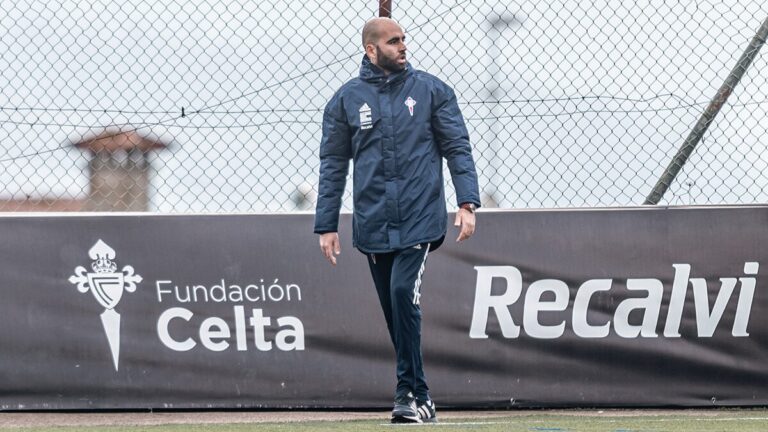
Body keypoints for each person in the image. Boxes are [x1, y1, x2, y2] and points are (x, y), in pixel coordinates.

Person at [314, 17, 480, 424]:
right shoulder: (345, 101)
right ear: (371, 50)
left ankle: (406, 391)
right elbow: (333, 164)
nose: (403, 47)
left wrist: (467, 202)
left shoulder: (433, 91)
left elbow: (457, 146)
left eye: (404, 39)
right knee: (393, 309)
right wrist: (327, 224)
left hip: (420, 218)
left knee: (404, 292)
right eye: (393, 41)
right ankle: (420, 395)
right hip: (372, 223)